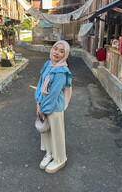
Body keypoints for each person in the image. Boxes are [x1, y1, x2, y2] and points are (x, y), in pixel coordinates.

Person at [35, 40, 72, 173]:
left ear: (65, 54)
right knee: (46, 131)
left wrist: (43, 109)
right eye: (55, 49)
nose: (57, 53)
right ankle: (49, 154)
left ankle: (60, 159)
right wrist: (38, 103)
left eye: (61, 51)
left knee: (56, 133)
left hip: (54, 108)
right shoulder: (48, 64)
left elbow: (53, 94)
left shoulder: (62, 71)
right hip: (43, 105)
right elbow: (40, 84)